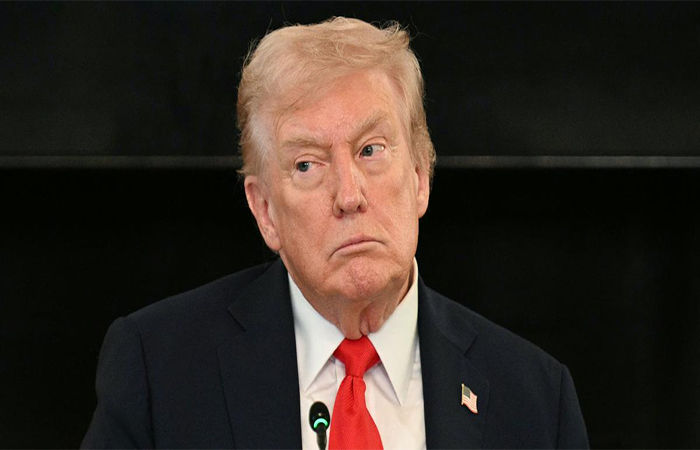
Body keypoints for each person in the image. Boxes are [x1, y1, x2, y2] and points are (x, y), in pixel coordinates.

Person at [82, 17, 588, 449]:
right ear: (264, 210)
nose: (349, 195)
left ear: (420, 176)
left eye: (371, 150)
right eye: (307, 164)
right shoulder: (160, 372)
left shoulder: (535, 399)